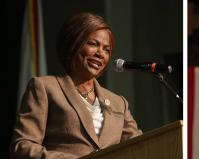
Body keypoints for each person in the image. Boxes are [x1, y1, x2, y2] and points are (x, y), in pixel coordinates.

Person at [10, 12, 142, 158]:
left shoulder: (119, 103)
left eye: (107, 50)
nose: (100, 53)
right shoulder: (45, 88)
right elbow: (22, 146)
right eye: (93, 44)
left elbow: (142, 147)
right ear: (74, 44)